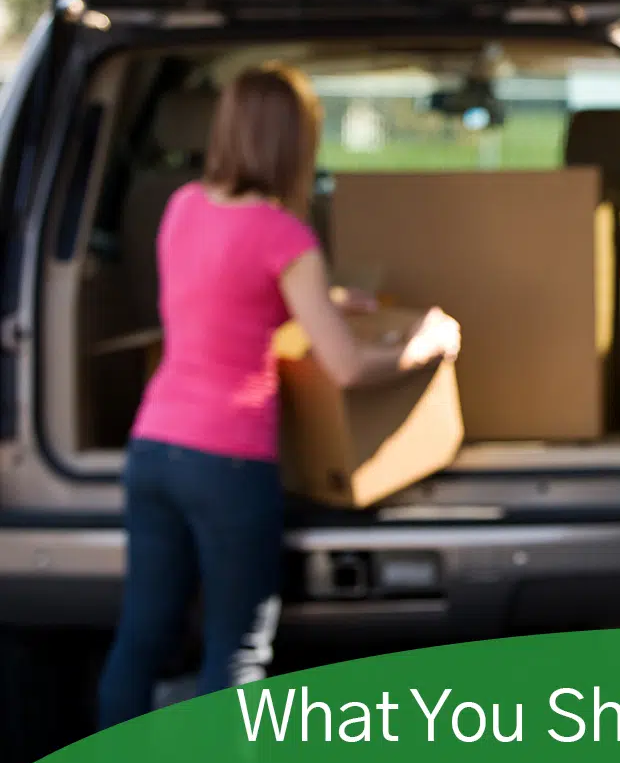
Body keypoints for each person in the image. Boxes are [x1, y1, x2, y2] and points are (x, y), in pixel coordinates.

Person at [96, 62, 461, 728]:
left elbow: (222, 305)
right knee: (235, 651)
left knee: (142, 639)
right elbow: (347, 369)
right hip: (227, 461)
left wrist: (317, 300)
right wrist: (429, 341)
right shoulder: (285, 237)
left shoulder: (182, 208)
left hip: (152, 449)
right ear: (295, 144)